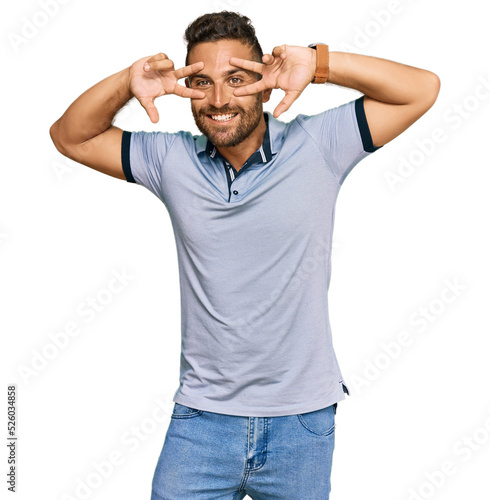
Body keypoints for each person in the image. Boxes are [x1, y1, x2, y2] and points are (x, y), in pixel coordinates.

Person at [49, 11, 440, 500]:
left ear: (265, 84)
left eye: (237, 80)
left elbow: (422, 88)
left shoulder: (319, 144)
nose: (218, 100)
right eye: (203, 82)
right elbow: (69, 136)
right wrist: (129, 82)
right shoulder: (171, 161)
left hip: (301, 421)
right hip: (202, 421)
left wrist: (319, 64)